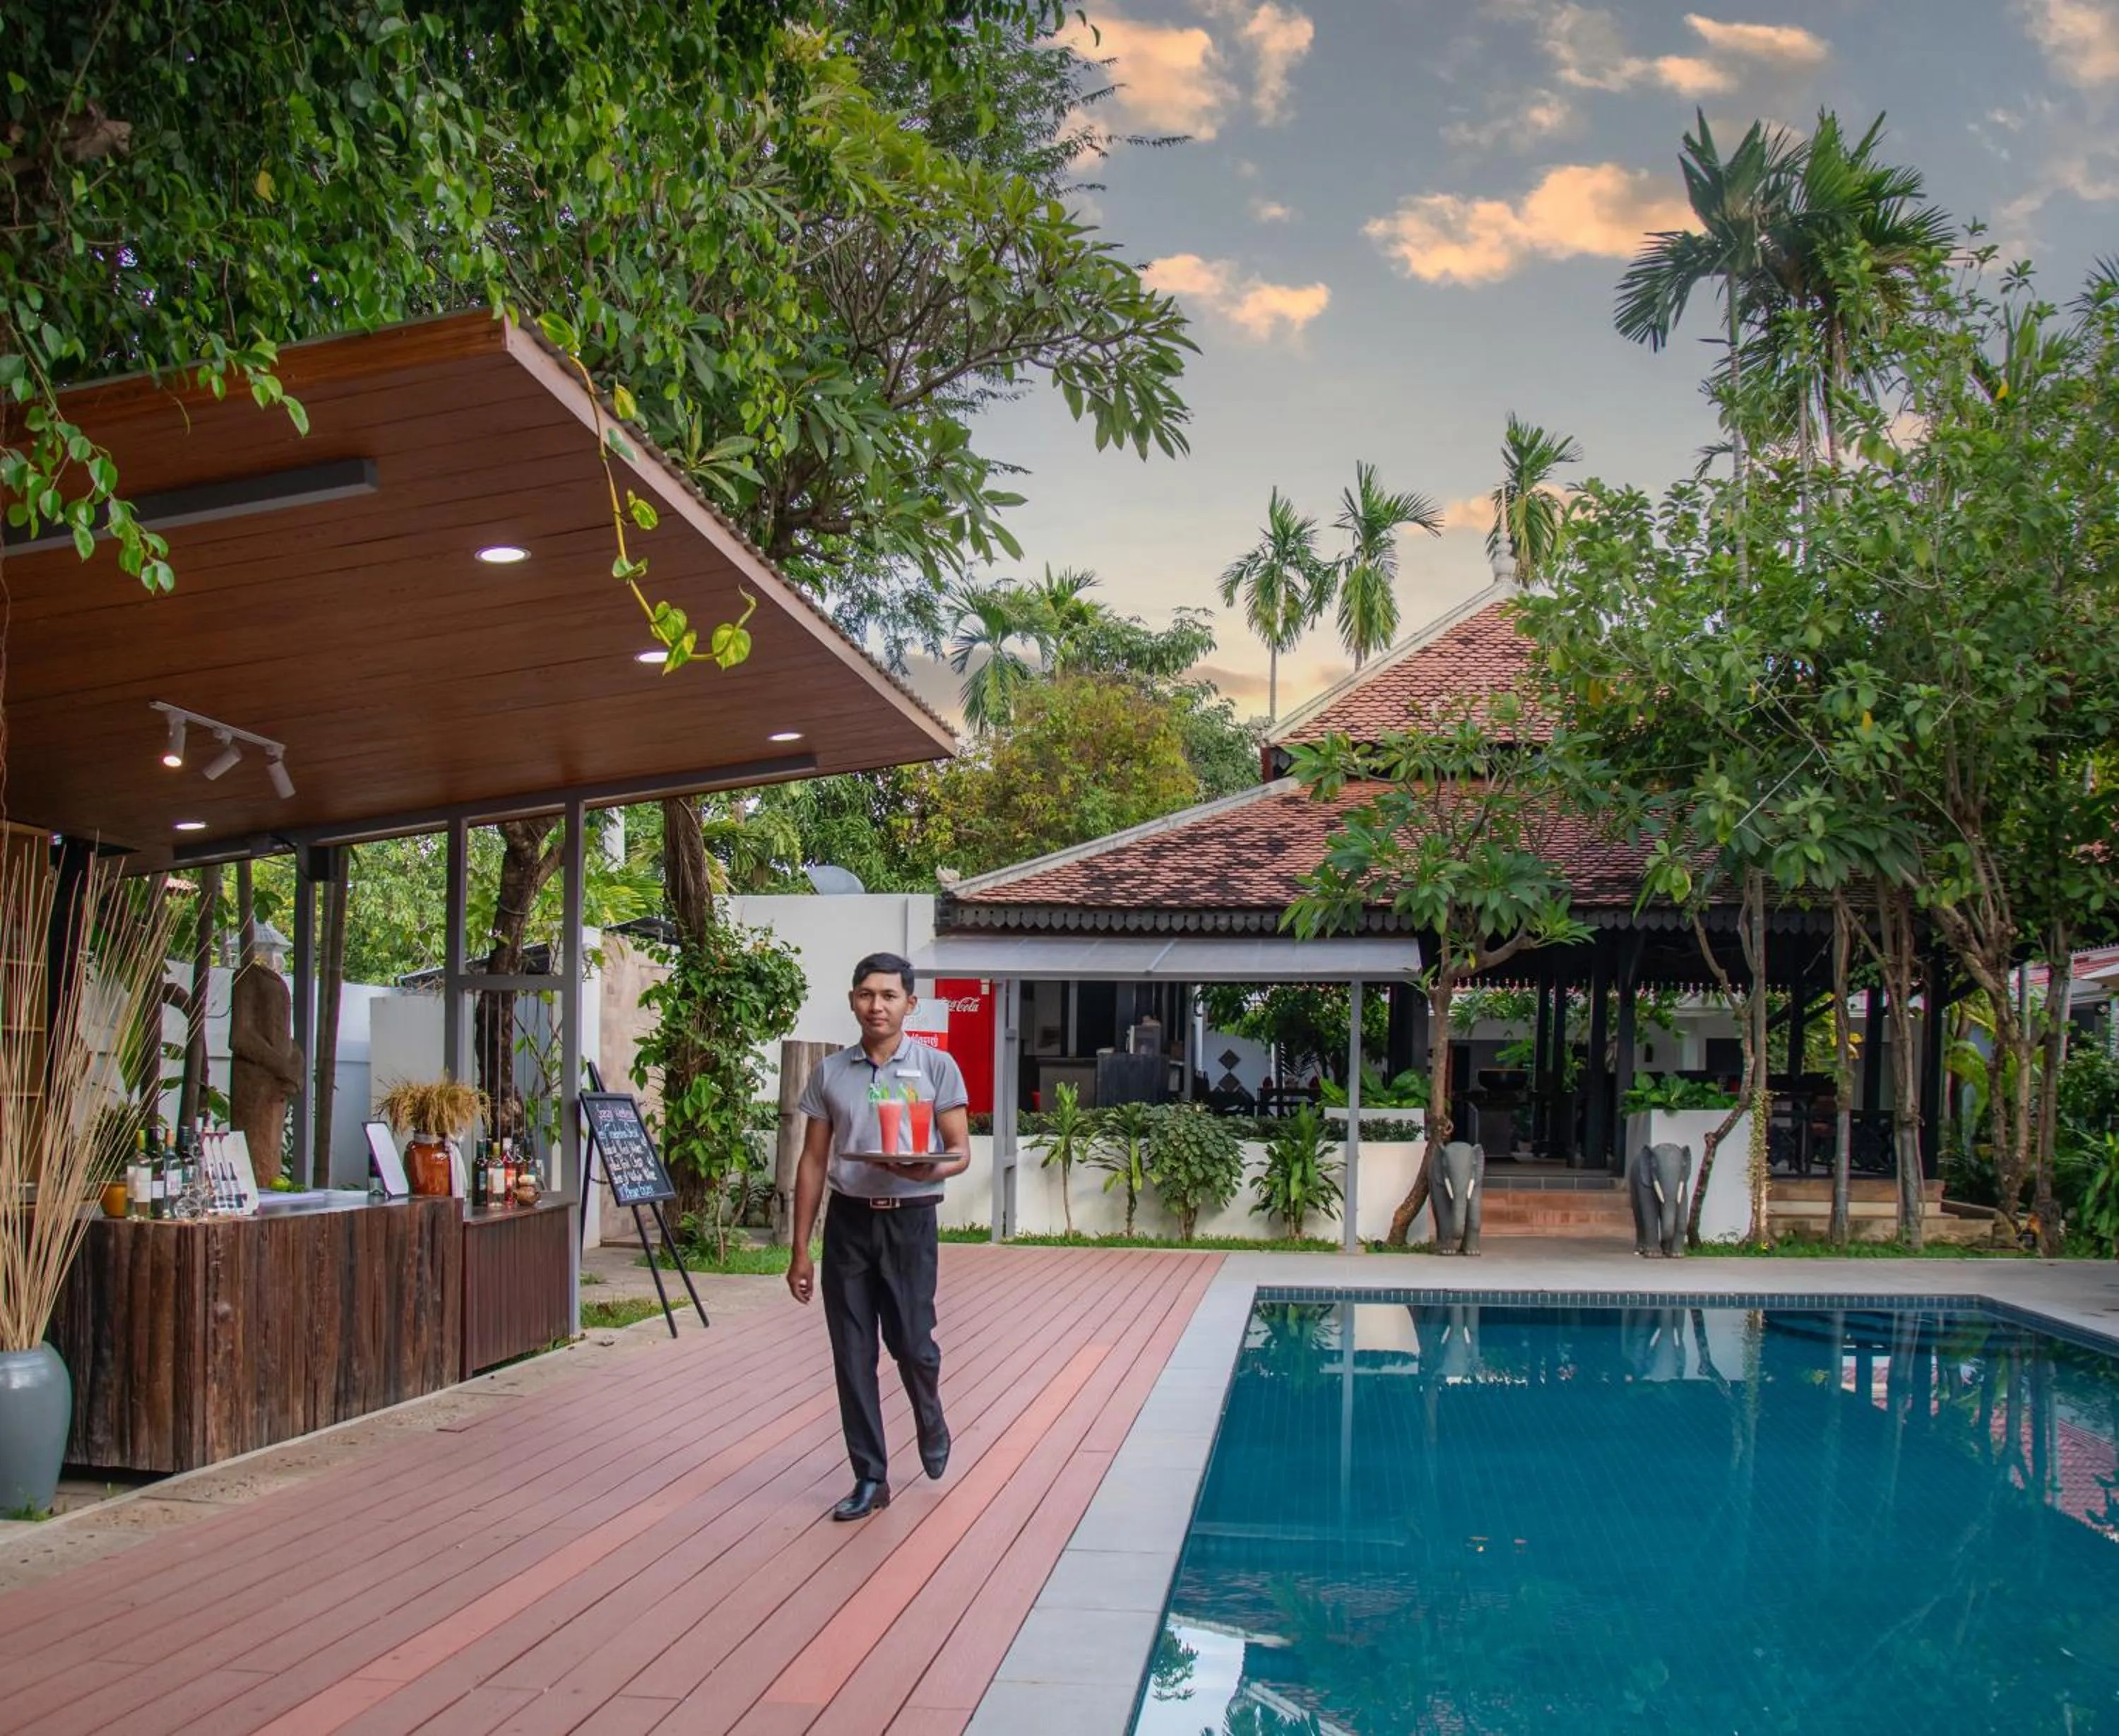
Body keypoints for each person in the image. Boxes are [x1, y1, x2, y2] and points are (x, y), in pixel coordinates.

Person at [787, 952, 971, 1520]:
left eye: (889, 996)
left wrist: (929, 1169)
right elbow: (814, 1161)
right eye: (867, 994)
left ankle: (930, 1412)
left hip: (911, 1222)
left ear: (909, 1004)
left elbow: (960, 1152)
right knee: (853, 1354)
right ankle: (871, 1477)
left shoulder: (938, 1067)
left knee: (914, 1344)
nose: (877, 1006)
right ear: (852, 1001)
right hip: (850, 1222)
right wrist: (801, 1249)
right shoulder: (830, 1073)